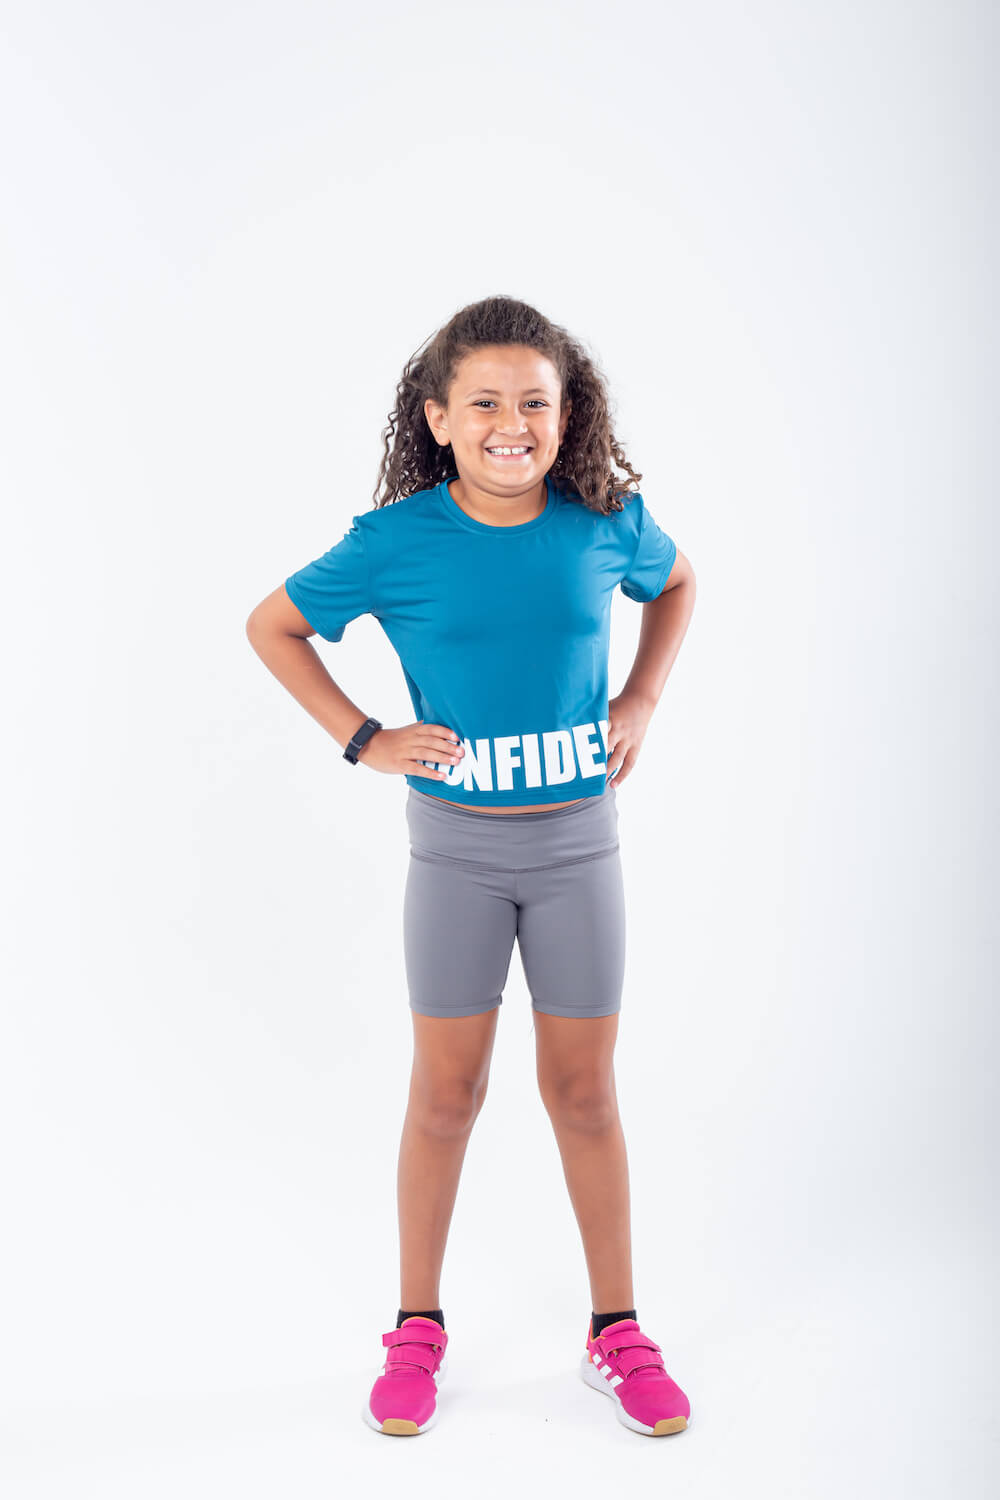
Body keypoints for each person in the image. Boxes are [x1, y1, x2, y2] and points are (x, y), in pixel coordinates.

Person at [245, 295, 697, 1438]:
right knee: (446, 1095)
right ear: (438, 418)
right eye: (484, 403)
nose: (511, 424)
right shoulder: (394, 543)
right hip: (454, 856)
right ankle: (415, 1329)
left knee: (583, 1093)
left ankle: (616, 1331)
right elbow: (271, 626)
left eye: (534, 403)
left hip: (578, 849)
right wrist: (365, 738)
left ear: (566, 414)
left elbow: (679, 583)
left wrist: (640, 698)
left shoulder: (605, 522)